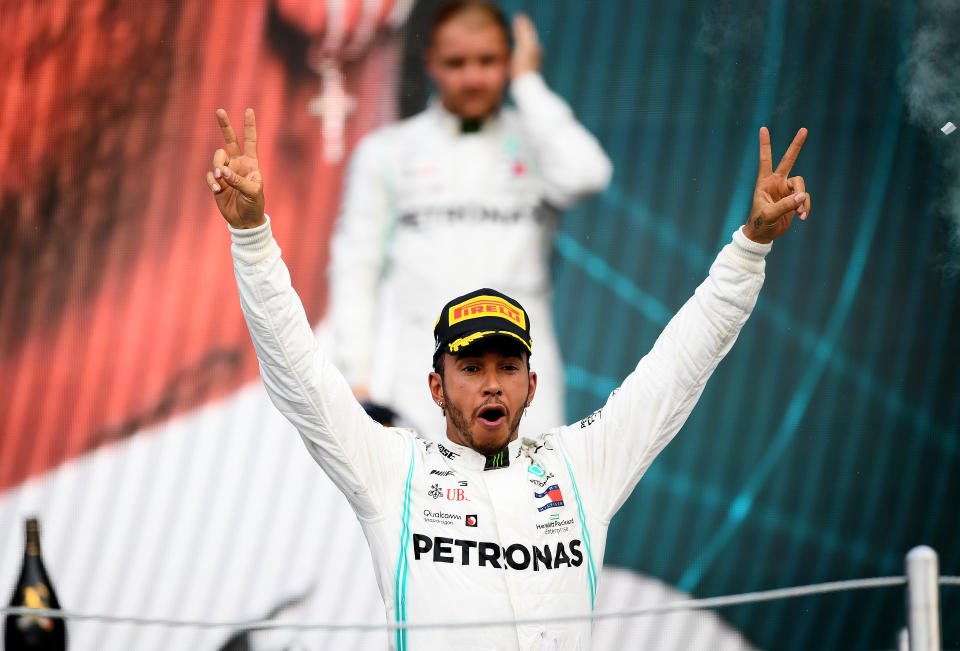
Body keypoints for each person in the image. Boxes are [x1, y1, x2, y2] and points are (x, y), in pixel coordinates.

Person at [206, 108, 810, 649]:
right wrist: (253, 241)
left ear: (531, 386)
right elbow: (300, 378)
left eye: (507, 367)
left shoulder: (580, 466)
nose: (491, 384)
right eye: (470, 368)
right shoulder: (394, 472)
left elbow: (678, 367)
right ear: (437, 388)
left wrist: (750, 247)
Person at [327, 0, 613, 437]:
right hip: (420, 381)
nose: (473, 77)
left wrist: (530, 84)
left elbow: (589, 175)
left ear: (510, 61)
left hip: (524, 381)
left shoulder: (538, 141)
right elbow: (355, 269)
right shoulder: (387, 151)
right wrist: (357, 379)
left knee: (528, 506)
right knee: (423, 506)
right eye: (457, 63)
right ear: (430, 63)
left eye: (488, 61)